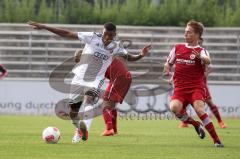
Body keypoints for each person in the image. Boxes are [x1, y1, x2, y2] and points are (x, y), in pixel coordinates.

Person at [28, 21, 151, 143]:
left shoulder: (116, 46)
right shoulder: (92, 37)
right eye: (105, 34)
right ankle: (79, 129)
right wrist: (44, 26)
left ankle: (85, 127)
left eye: (110, 35)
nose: (107, 38)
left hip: (96, 79)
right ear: (102, 32)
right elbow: (66, 33)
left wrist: (141, 54)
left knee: (89, 99)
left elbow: (129, 57)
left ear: (115, 34)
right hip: (79, 77)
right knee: (73, 113)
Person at [163, 20, 224, 147]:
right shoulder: (177, 48)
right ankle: (196, 124)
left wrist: (201, 58)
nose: (185, 34)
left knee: (199, 109)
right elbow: (168, 63)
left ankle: (217, 140)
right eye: (185, 31)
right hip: (180, 88)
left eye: (188, 32)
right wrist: (167, 67)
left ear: (197, 35)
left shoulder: (201, 50)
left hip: (196, 87)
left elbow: (208, 61)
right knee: (174, 108)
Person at [74, 46, 150, 137]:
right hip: (121, 77)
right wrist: (140, 55)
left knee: (105, 105)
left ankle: (109, 129)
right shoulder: (99, 55)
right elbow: (125, 56)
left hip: (119, 77)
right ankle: (114, 129)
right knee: (111, 105)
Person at [178, 38, 227, 129]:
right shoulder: (187, 51)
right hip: (189, 84)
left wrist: (205, 74)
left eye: (200, 42)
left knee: (209, 102)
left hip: (200, 84)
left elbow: (210, 67)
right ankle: (185, 122)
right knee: (182, 104)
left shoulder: (202, 52)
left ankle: (220, 122)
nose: (198, 42)